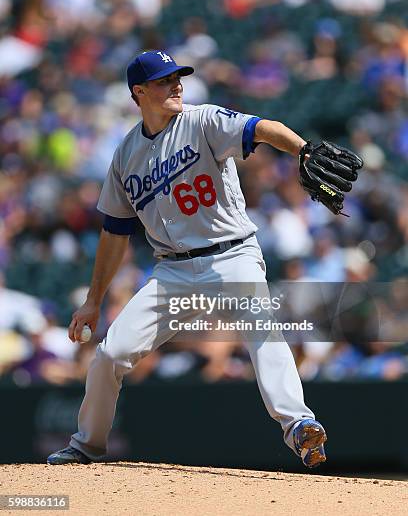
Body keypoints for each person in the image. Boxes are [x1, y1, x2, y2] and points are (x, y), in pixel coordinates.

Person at [47, 50, 327, 468]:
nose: (176, 85)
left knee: (262, 331)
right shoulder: (125, 155)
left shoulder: (202, 119)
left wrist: (302, 149)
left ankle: (299, 425)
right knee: (108, 355)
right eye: (164, 81)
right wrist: (93, 300)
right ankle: (87, 445)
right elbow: (114, 233)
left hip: (232, 255)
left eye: (177, 77)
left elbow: (261, 128)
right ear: (139, 93)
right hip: (173, 271)